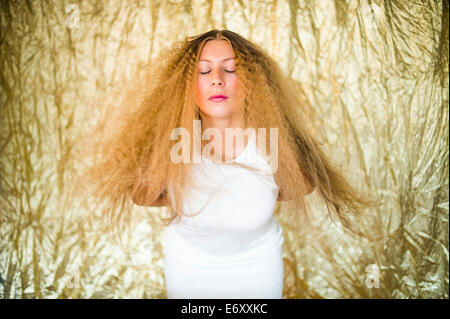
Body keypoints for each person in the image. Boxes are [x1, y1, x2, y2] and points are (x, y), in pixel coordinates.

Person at [74, 29, 377, 299]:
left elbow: (297, 187)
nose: (217, 79)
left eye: (230, 69)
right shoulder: (174, 141)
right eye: (204, 71)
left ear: (253, 83)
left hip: (258, 270)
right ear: (186, 86)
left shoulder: (274, 142)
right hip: (189, 270)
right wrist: (178, 185)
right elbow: (143, 195)